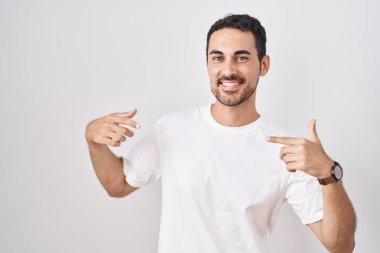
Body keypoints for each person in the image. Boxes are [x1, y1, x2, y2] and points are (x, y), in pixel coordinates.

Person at [85, 14, 356, 253]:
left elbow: (340, 246)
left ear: (263, 65)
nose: (228, 70)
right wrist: (93, 141)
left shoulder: (286, 151)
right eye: (218, 58)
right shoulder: (172, 129)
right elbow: (117, 185)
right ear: (207, 64)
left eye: (241, 57)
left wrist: (329, 175)